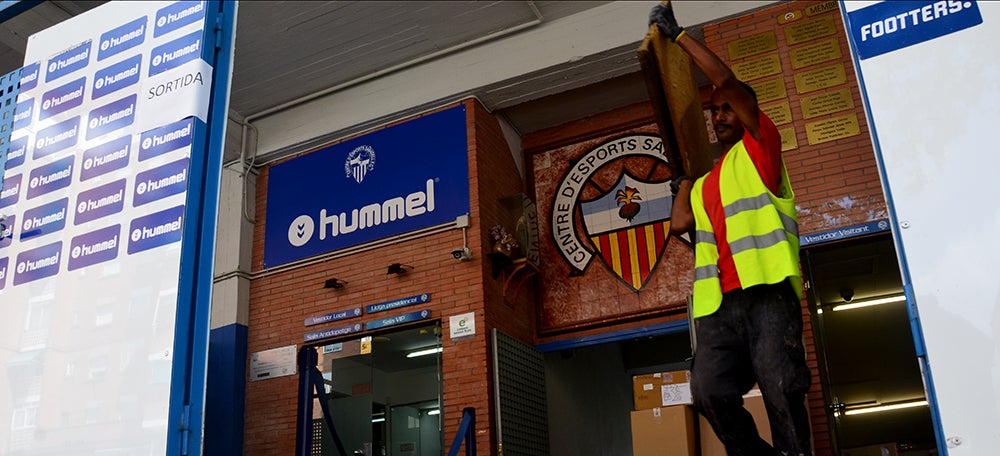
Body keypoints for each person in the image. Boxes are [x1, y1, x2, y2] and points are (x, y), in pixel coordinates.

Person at [651, 4, 812, 456]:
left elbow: (725, 82)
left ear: (746, 113)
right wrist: (683, 182)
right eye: (713, 112)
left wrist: (679, 35)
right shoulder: (706, 183)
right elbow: (680, 222)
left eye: (726, 109)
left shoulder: (762, 147)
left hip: (767, 293)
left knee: (782, 389)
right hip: (720, 306)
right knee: (707, 393)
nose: (719, 115)